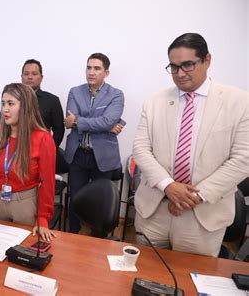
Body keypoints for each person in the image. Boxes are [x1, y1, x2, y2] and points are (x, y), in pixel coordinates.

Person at [133, 33, 249, 257]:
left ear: (207, 60)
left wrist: (191, 197)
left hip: (203, 215)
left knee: (192, 282)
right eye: (174, 67)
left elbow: (243, 159)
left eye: (187, 65)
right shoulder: (154, 102)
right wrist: (169, 186)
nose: (180, 73)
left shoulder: (239, 102)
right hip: (154, 209)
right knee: (143, 279)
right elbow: (140, 148)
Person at [0, 83, 56, 241]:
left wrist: (43, 218)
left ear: (26, 107)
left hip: (25, 204)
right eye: (3, 103)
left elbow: (47, 183)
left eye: (11, 104)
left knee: (22, 250)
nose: (5, 110)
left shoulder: (42, 139)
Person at [64, 53, 125, 234]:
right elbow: (71, 119)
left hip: (103, 156)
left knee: (101, 201)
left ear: (106, 73)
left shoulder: (116, 95)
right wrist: (105, 125)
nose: (91, 72)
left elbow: (107, 121)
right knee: (75, 198)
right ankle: (72, 234)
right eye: (88, 67)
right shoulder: (75, 91)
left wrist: (78, 122)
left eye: (97, 68)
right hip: (78, 154)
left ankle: (98, 239)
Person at [0, 59, 65, 147]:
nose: (30, 77)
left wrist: (50, 148)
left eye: (34, 74)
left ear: (41, 77)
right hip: (13, 148)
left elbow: (59, 130)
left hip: (40, 148)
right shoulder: (11, 99)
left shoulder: (52, 100)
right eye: (26, 74)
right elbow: (0, 122)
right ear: (21, 77)